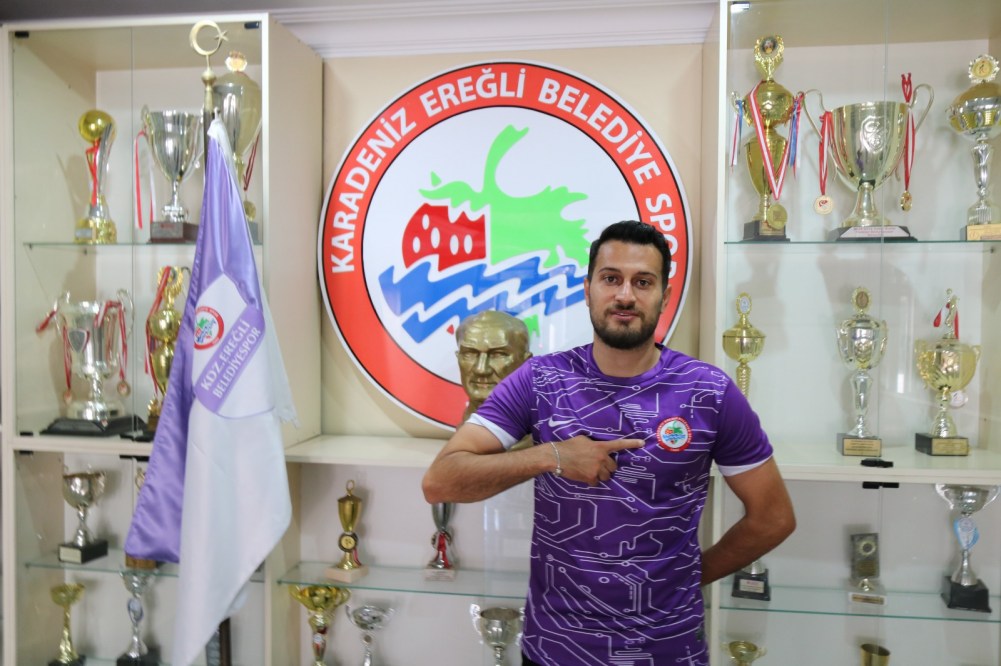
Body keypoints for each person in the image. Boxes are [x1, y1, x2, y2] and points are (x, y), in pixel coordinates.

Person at [422, 220, 795, 666]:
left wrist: (689, 577)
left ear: (665, 295)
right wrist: (552, 456)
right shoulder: (540, 380)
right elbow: (441, 481)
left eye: (643, 282)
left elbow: (773, 517)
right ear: (588, 290)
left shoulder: (708, 392)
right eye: (611, 278)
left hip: (668, 651)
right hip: (555, 650)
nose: (625, 295)